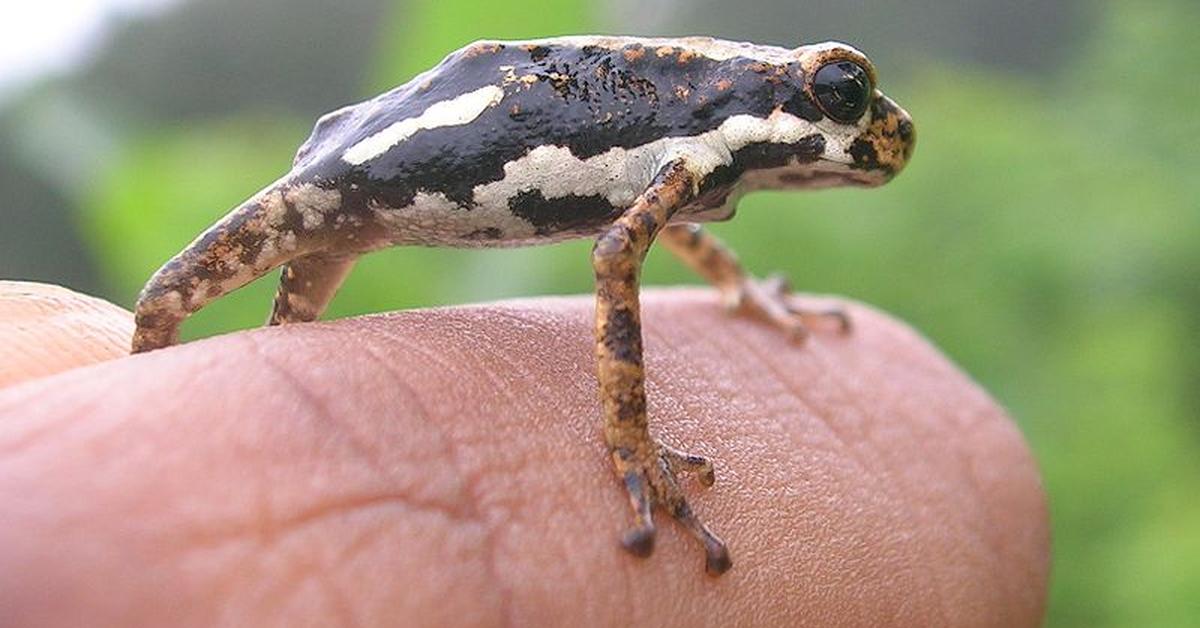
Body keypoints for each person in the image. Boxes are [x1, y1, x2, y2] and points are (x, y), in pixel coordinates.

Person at [0, 281, 1049, 626]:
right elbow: (615, 254)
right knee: (174, 302)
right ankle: (627, 444)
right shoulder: (681, 125)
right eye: (834, 94)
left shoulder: (691, 170)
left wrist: (736, 289)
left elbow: (648, 223)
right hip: (366, 162)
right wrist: (629, 435)